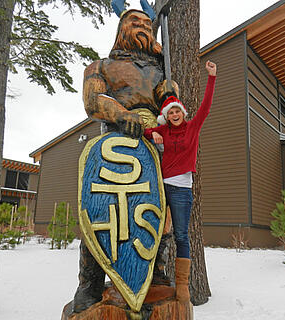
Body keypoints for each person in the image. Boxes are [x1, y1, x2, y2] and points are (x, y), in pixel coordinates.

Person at [72, 4, 178, 313]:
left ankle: (154, 273)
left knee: (160, 212)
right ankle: (89, 283)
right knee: (101, 210)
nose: (143, 25)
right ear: (122, 28)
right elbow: (93, 101)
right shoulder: (100, 66)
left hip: (155, 143)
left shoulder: (160, 70)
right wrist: (120, 113)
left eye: (147, 22)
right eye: (135, 21)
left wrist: (171, 93)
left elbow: (169, 106)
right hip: (116, 142)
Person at [144, 60, 217, 302]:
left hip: (181, 189)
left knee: (181, 236)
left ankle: (183, 284)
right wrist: (152, 131)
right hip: (160, 187)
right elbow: (142, 132)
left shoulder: (192, 128)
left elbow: (206, 107)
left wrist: (211, 77)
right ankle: (152, 275)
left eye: (177, 111)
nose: (174, 115)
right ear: (166, 116)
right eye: (170, 113)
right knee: (153, 230)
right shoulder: (164, 131)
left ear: (182, 113)